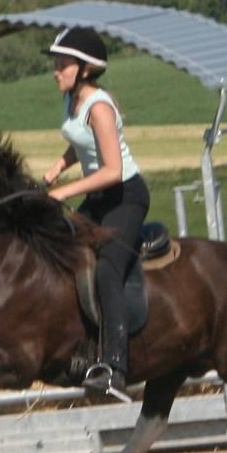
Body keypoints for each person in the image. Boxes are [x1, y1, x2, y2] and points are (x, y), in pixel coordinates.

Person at [42, 27, 150, 401]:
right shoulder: (71, 101)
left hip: (124, 196)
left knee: (106, 269)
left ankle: (116, 368)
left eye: (62, 65)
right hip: (99, 195)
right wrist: (59, 165)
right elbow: (79, 142)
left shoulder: (99, 107)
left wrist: (63, 191)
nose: (55, 71)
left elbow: (112, 170)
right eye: (55, 65)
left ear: (85, 69)